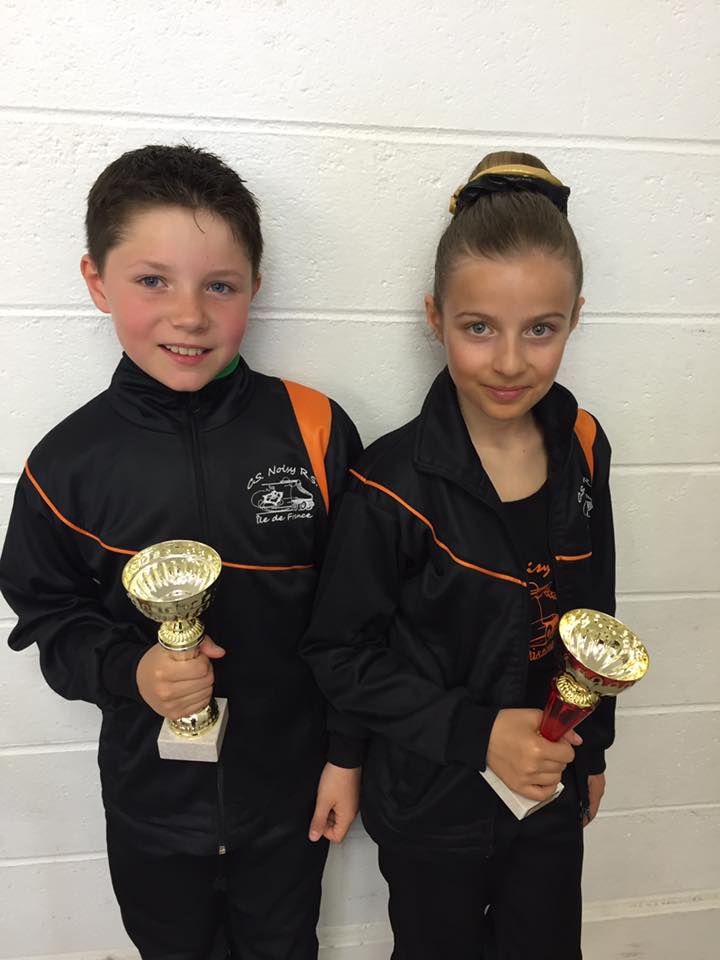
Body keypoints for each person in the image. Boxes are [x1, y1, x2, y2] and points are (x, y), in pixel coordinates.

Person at [0, 144, 364, 960]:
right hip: (151, 813)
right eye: (152, 281)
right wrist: (132, 670)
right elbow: (49, 620)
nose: (190, 315)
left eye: (219, 286)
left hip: (289, 799)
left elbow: (357, 617)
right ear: (97, 281)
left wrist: (346, 756)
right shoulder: (66, 464)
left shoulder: (314, 430)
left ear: (255, 286)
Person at [302, 151, 616, 959]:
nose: (510, 361)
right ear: (435, 317)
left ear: (575, 318)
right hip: (431, 802)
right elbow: (341, 652)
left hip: (547, 788)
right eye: (479, 328)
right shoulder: (390, 483)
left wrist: (592, 748)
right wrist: (471, 737)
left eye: (540, 329)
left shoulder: (583, 444)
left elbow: (595, 616)